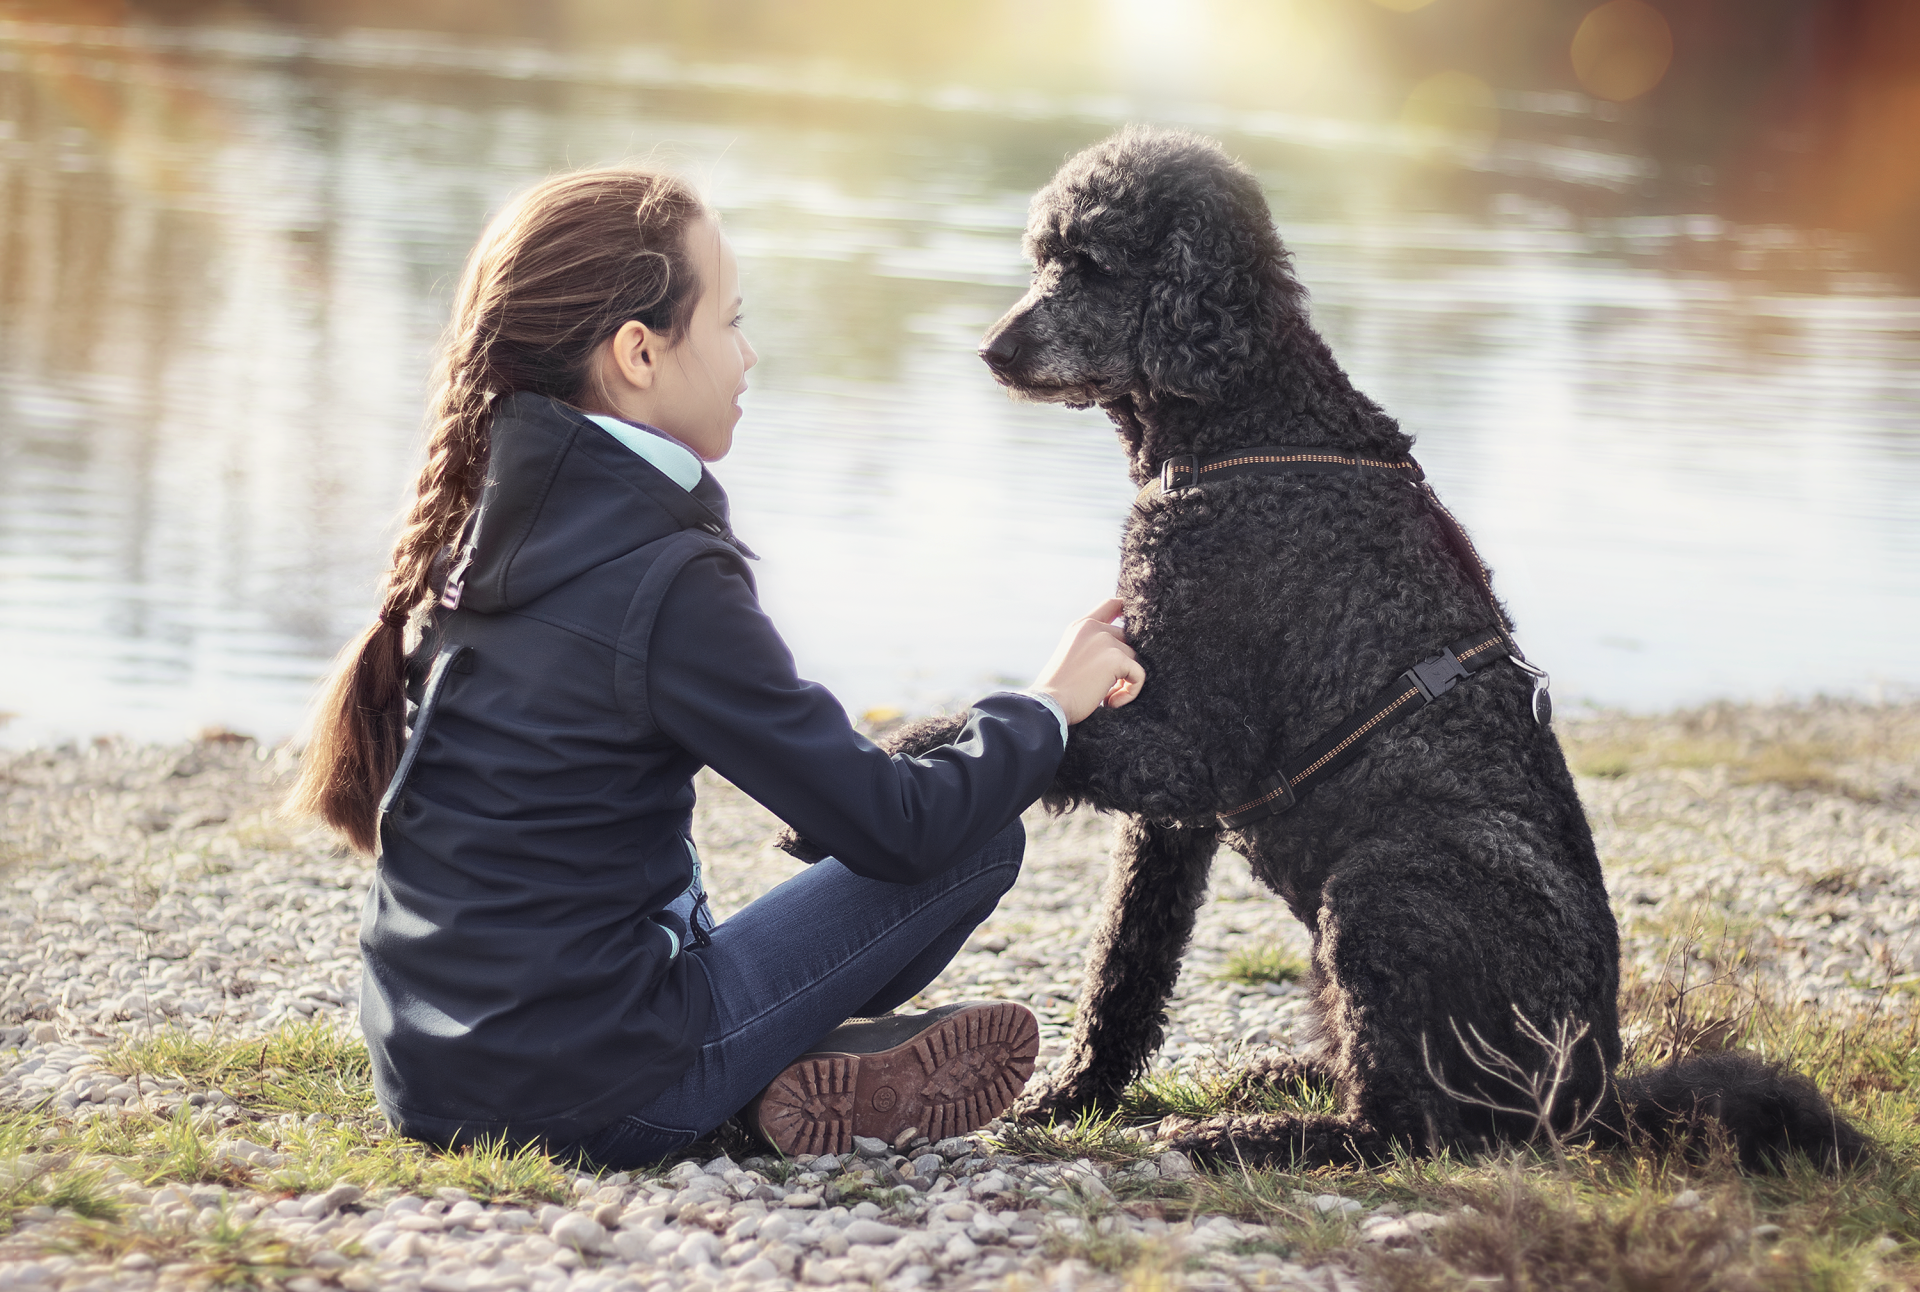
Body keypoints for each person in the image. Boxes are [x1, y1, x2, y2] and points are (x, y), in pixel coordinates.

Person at [291, 166, 1144, 1168]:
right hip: (591, 1097)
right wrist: (1047, 705)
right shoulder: (665, 577)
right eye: (730, 320)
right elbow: (895, 825)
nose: (748, 354)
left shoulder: (482, 527)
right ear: (639, 353)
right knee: (974, 839)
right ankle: (736, 1088)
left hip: (427, 1070)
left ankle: (779, 1066)